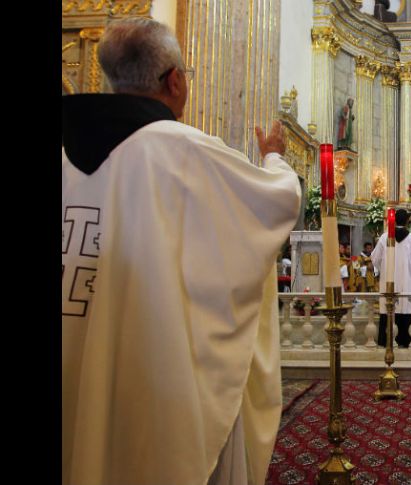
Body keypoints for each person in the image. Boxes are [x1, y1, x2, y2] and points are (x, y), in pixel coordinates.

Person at [62, 18, 301, 485]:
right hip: (150, 374)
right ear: (174, 80)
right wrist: (273, 155)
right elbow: (278, 199)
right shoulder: (185, 149)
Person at [371, 209, 411, 347]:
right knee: (407, 307)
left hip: (389, 283)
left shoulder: (385, 238)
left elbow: (375, 259)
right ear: (408, 221)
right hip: (408, 283)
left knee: (389, 307)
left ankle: (387, 339)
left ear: (394, 220)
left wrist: (384, 268)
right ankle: (407, 339)